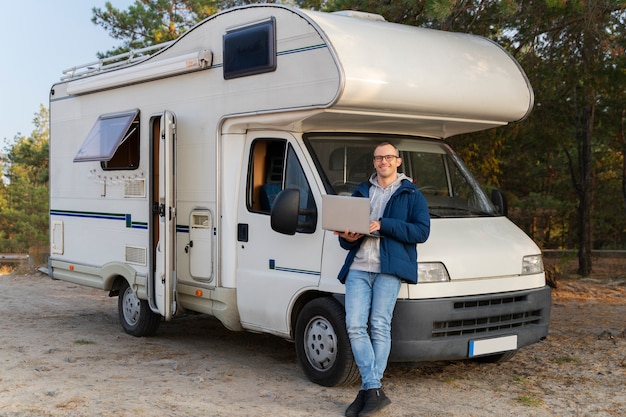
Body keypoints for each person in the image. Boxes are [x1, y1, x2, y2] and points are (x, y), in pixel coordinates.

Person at [335, 142, 430, 417]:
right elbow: (348, 236)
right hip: (358, 268)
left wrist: (383, 225)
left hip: (389, 269)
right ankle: (373, 389)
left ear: (398, 161)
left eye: (388, 157)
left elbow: (421, 232)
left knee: (378, 325)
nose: (383, 161)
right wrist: (347, 237)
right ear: (374, 162)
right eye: (378, 158)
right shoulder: (361, 191)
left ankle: (369, 391)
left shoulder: (411, 194)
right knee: (354, 325)